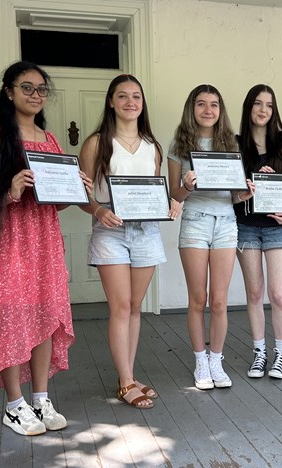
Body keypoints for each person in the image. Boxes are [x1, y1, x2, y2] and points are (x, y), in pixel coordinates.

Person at [0, 61, 90, 435]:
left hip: (43, 240)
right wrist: (9, 191)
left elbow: (53, 202)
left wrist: (76, 191)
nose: (36, 95)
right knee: (11, 317)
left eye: (41, 89)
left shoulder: (49, 139)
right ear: (8, 91)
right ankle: (14, 404)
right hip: (7, 240)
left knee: (43, 315)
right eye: (27, 88)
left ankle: (40, 397)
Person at [80, 74, 179, 409]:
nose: (130, 102)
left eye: (136, 96)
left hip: (146, 232)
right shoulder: (96, 143)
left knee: (135, 307)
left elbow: (153, 194)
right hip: (111, 231)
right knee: (120, 307)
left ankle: (129, 374)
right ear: (111, 102)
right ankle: (124, 381)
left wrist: (170, 203)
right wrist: (96, 210)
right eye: (122, 96)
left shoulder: (153, 147)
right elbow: (80, 193)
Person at [168, 85, 253, 390]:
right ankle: (200, 361)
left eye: (214, 104)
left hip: (226, 223)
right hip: (194, 222)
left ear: (221, 109)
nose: (208, 110)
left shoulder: (231, 143)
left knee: (219, 301)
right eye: (201, 104)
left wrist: (245, 193)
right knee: (198, 299)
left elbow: (232, 195)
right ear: (192, 108)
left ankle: (216, 360)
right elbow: (173, 194)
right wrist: (186, 186)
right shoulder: (179, 144)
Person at [235, 84, 282, 379]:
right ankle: (259, 352)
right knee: (255, 293)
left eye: (269, 105)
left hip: (278, 227)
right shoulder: (236, 143)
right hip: (247, 225)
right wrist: (247, 187)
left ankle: (280, 352)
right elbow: (232, 193)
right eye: (258, 104)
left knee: (279, 293)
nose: (263, 110)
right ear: (249, 108)